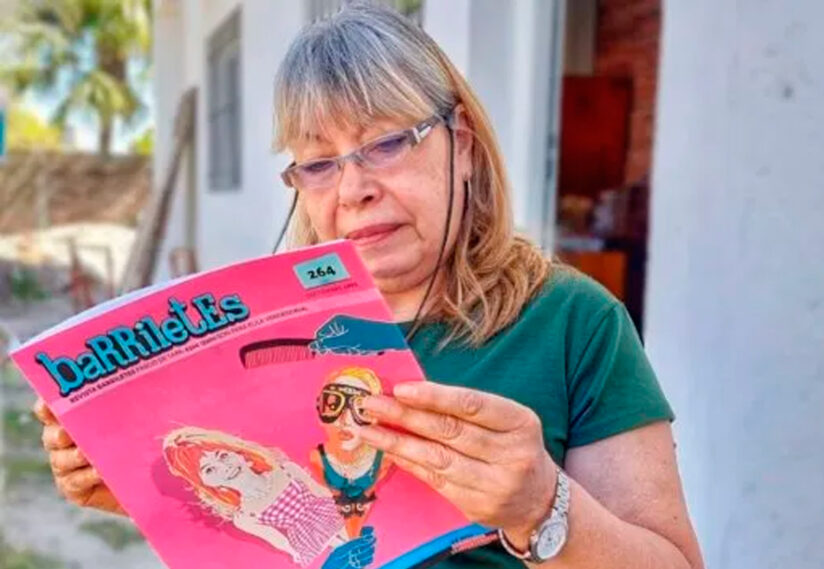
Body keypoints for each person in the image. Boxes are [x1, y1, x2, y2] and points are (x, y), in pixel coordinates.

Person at [34, 2, 704, 568]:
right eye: (320, 163)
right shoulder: (275, 336)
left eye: (387, 143)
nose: (354, 189)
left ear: (461, 144)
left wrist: (541, 506)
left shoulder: (571, 321)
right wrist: (136, 487)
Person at [162, 427, 350, 566]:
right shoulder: (245, 516)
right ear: (206, 483)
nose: (225, 467)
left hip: (328, 513)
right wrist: (294, 552)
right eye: (210, 469)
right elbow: (277, 539)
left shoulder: (285, 470)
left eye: (222, 456)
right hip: (306, 537)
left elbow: (319, 491)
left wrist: (341, 504)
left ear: (238, 453)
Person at [311, 367, 393, 538]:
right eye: (333, 405)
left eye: (361, 410)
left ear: (376, 418)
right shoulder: (316, 459)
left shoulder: (385, 460)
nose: (346, 420)